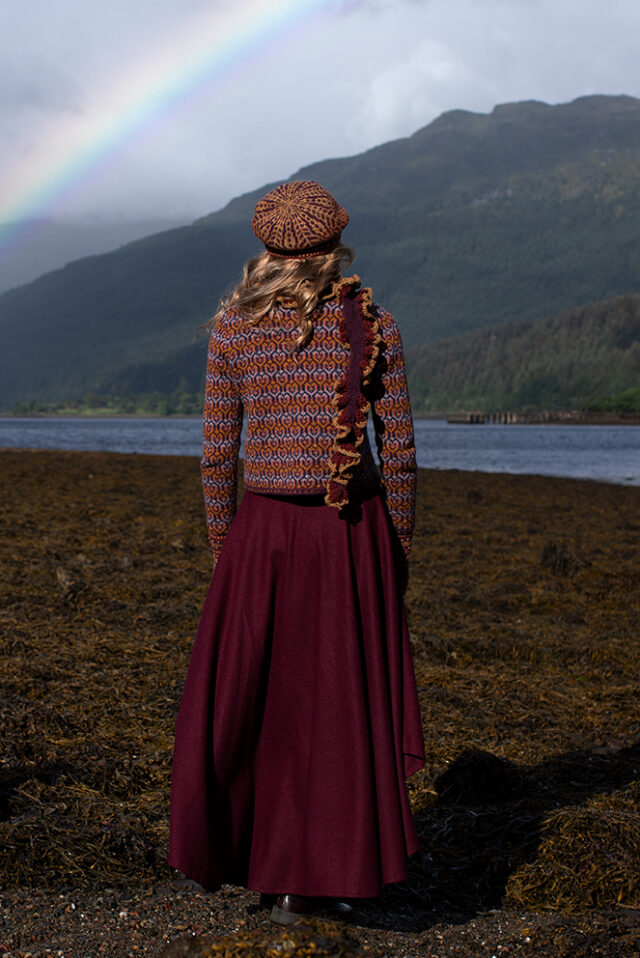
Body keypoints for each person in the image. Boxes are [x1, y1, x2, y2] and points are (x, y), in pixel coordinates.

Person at [168, 180, 425, 925]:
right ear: (331, 242)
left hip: (259, 538)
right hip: (349, 535)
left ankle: (271, 875)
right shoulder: (374, 326)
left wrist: (228, 548)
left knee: (258, 708)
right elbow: (401, 453)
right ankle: (317, 875)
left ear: (267, 248)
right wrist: (396, 551)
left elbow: (218, 456)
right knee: (337, 710)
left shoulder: (231, 330)